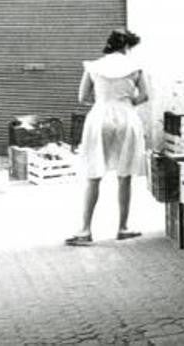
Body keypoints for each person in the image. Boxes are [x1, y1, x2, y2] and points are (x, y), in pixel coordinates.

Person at [65, 29, 150, 246]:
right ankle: (122, 228)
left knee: (93, 174)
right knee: (125, 176)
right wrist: (127, 101)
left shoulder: (93, 66)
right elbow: (145, 96)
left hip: (99, 116)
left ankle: (84, 231)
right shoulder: (136, 68)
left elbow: (82, 97)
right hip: (126, 117)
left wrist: (102, 101)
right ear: (126, 47)